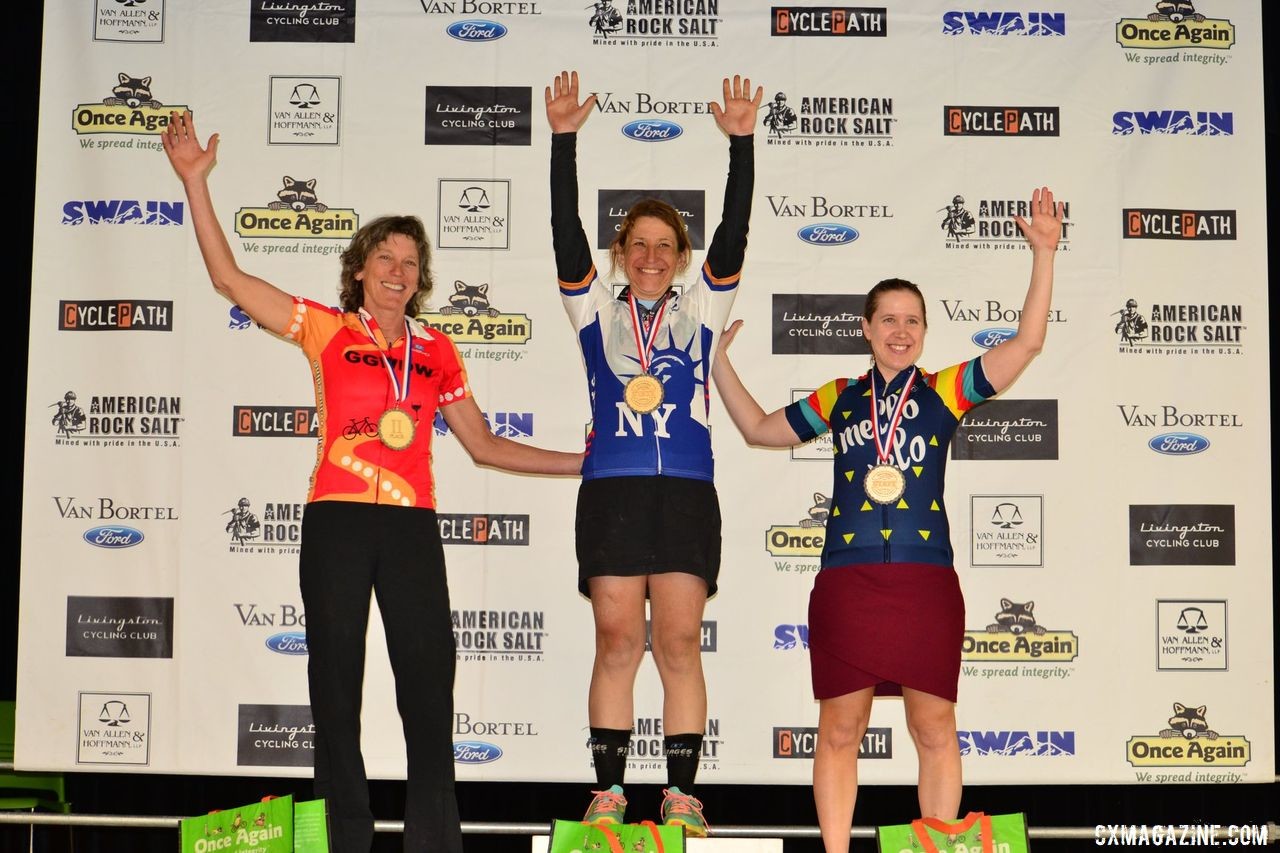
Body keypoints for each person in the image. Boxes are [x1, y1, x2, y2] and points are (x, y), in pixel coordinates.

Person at [161, 110, 582, 853]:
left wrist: (583, 461)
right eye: (384, 259)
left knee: (429, 690)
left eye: (410, 262)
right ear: (360, 269)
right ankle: (343, 840)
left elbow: (481, 443)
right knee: (336, 685)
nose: (397, 271)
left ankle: (435, 841)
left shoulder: (438, 348)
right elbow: (228, 278)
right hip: (339, 520)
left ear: (421, 279)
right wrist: (196, 181)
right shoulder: (326, 329)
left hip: (412, 524)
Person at [711, 188, 1063, 853]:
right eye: (889, 320)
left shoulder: (945, 390)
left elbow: (1028, 342)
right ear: (866, 329)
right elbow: (759, 428)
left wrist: (1043, 252)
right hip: (848, 583)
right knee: (840, 730)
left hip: (925, 584)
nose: (901, 331)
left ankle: (936, 844)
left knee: (935, 728)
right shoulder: (840, 399)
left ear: (925, 332)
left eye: (913, 321)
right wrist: (717, 363)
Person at [544, 70, 762, 836]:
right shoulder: (592, 308)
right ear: (620, 252)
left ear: (680, 254)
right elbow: (564, 235)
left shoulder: (702, 307)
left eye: (664, 246)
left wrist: (742, 146)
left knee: (675, 640)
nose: (650, 256)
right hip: (611, 489)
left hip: (685, 492)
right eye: (637, 244)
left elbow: (734, 234)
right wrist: (562, 140)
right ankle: (608, 791)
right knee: (615, 639)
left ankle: (679, 793)